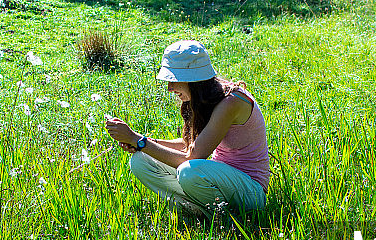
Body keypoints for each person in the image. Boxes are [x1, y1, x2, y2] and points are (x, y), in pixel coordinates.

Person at [105, 40, 270, 220]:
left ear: (193, 80)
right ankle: (198, 211)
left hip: (251, 192)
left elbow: (192, 157)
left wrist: (138, 140)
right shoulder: (207, 97)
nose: (169, 88)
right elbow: (191, 145)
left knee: (189, 171)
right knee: (140, 160)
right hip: (220, 181)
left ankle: (226, 220)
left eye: (173, 80)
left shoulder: (231, 102)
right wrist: (143, 142)